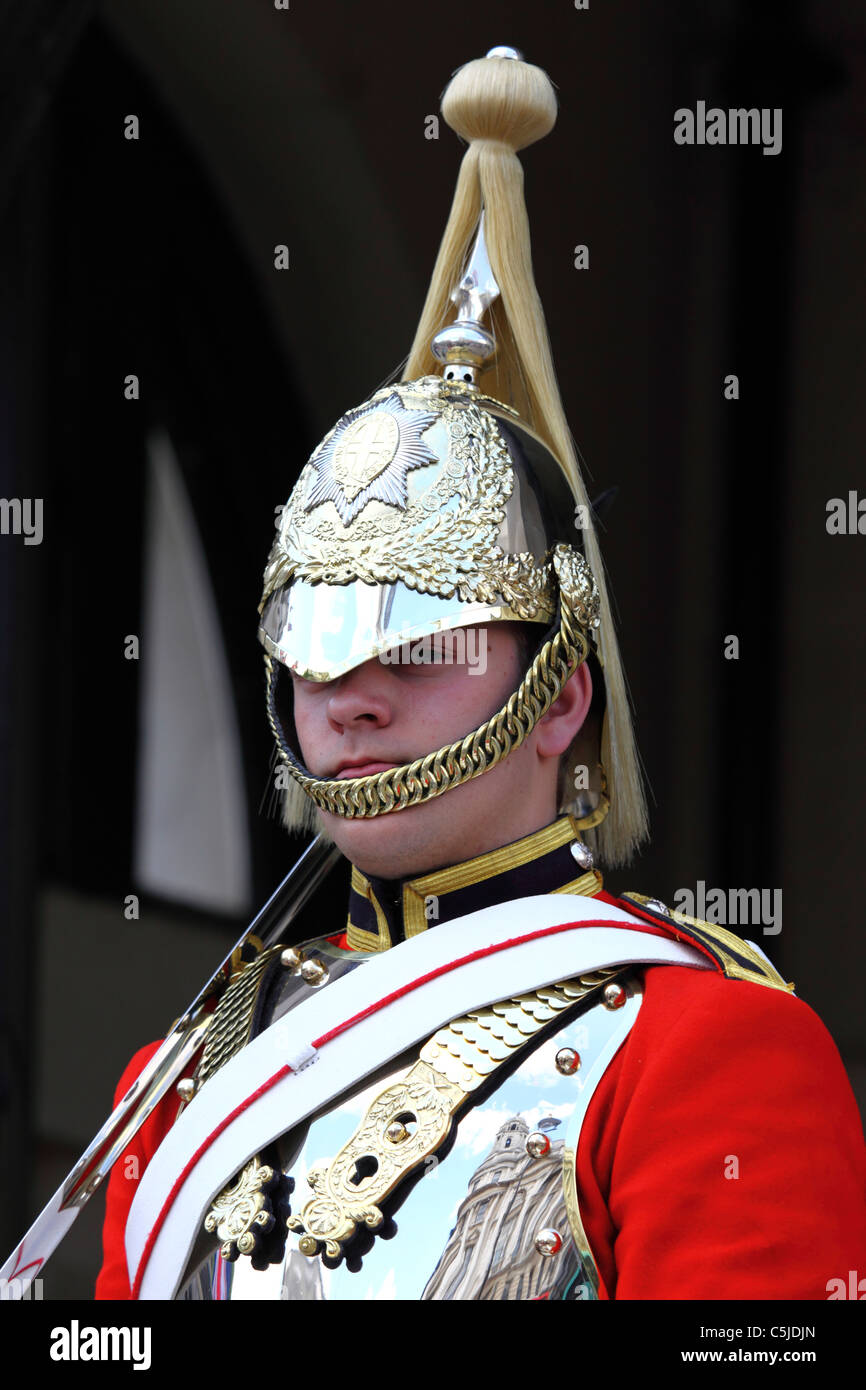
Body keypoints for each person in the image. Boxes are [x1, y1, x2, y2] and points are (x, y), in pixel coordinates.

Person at [96, 48, 865, 1302]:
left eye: (419, 647)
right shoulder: (187, 1073)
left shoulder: (699, 1047)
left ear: (560, 693)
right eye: (317, 650)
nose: (350, 697)